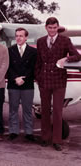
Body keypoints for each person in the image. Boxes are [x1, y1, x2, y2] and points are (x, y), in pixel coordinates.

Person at [35, 17, 81, 151]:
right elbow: (38, 61)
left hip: (59, 81)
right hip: (44, 81)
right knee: (44, 111)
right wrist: (38, 78)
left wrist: (66, 58)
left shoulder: (65, 41)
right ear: (46, 28)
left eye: (55, 28)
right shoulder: (40, 41)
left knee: (57, 111)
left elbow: (78, 56)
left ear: (57, 27)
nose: (52, 30)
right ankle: (45, 138)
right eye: (50, 28)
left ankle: (57, 140)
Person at [7, 28, 37, 141]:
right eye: (17, 36)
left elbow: (33, 68)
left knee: (27, 109)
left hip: (27, 84)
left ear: (26, 38)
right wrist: (16, 78)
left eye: (21, 36)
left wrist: (24, 78)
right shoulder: (10, 50)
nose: (18, 38)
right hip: (13, 84)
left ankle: (29, 132)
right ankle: (13, 131)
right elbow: (8, 67)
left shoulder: (33, 52)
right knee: (13, 109)